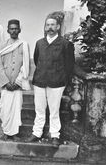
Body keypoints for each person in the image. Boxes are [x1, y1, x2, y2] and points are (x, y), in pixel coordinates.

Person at [26, 13, 75, 147]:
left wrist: (64, 81)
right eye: (47, 25)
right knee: (39, 109)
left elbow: (69, 65)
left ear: (58, 27)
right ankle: (37, 133)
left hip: (57, 82)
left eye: (53, 25)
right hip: (40, 80)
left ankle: (55, 135)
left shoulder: (65, 44)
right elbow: (37, 60)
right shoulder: (39, 43)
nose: (50, 27)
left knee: (54, 110)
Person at [0, 19, 31, 141]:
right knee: (5, 109)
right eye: (12, 28)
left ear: (19, 30)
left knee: (16, 109)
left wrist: (17, 82)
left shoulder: (24, 45)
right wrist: (5, 82)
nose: (14, 31)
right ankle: (5, 132)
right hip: (6, 85)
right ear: (8, 30)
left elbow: (26, 65)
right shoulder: (3, 45)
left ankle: (14, 133)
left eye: (16, 28)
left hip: (17, 85)